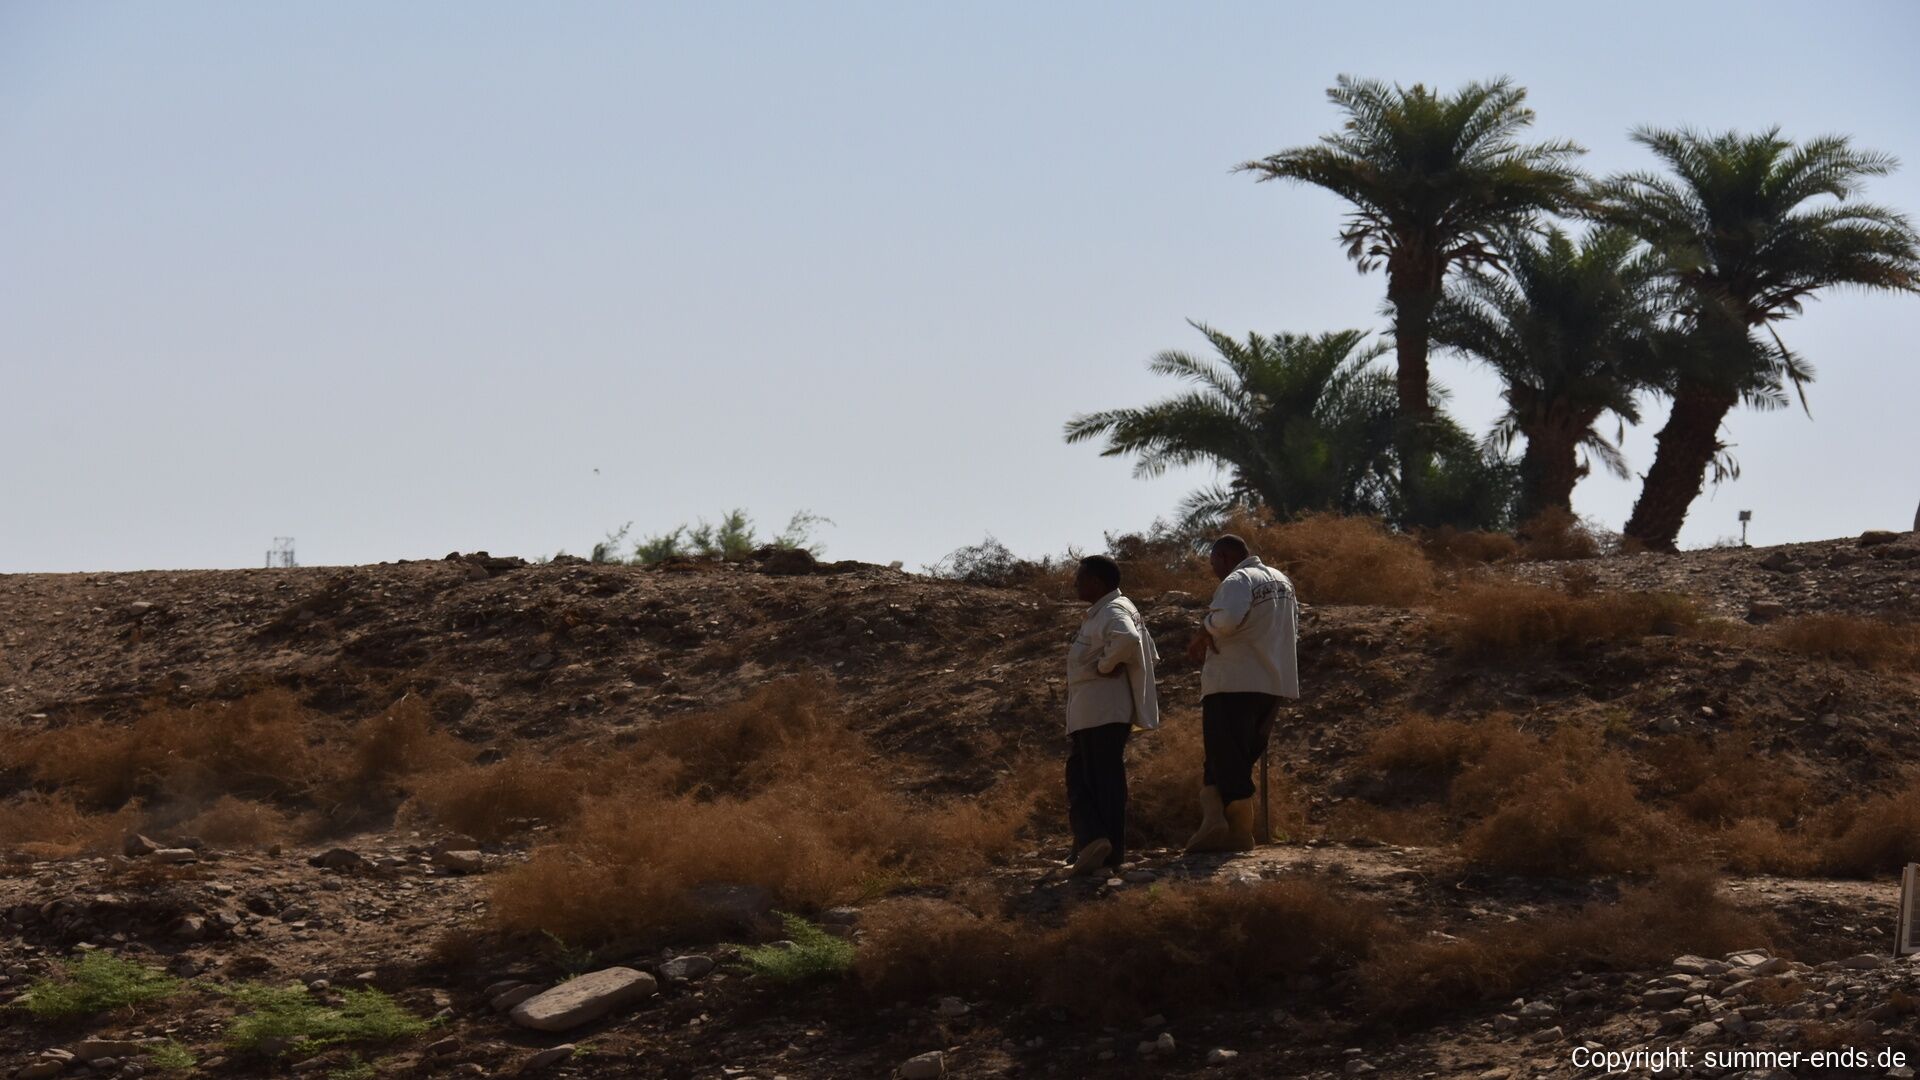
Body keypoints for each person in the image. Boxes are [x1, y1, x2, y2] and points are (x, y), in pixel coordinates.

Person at [1183, 534, 1298, 852]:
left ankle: (1238, 830)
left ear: (1224, 557)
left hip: (1233, 682)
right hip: (1272, 683)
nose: (1213, 571)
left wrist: (1205, 627)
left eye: (1213, 563)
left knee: (1227, 757)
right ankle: (1218, 825)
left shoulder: (1238, 579)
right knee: (1231, 757)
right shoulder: (1282, 581)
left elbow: (1228, 619)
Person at [1061, 554, 1159, 877]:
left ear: (1097, 582)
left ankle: (1098, 843)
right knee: (1096, 779)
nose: (1075, 584)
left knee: (1091, 780)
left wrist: (1105, 666)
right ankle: (1101, 847)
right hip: (1096, 712)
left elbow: (1129, 639)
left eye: (1080, 578)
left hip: (1102, 711)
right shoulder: (1109, 610)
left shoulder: (1114, 610)